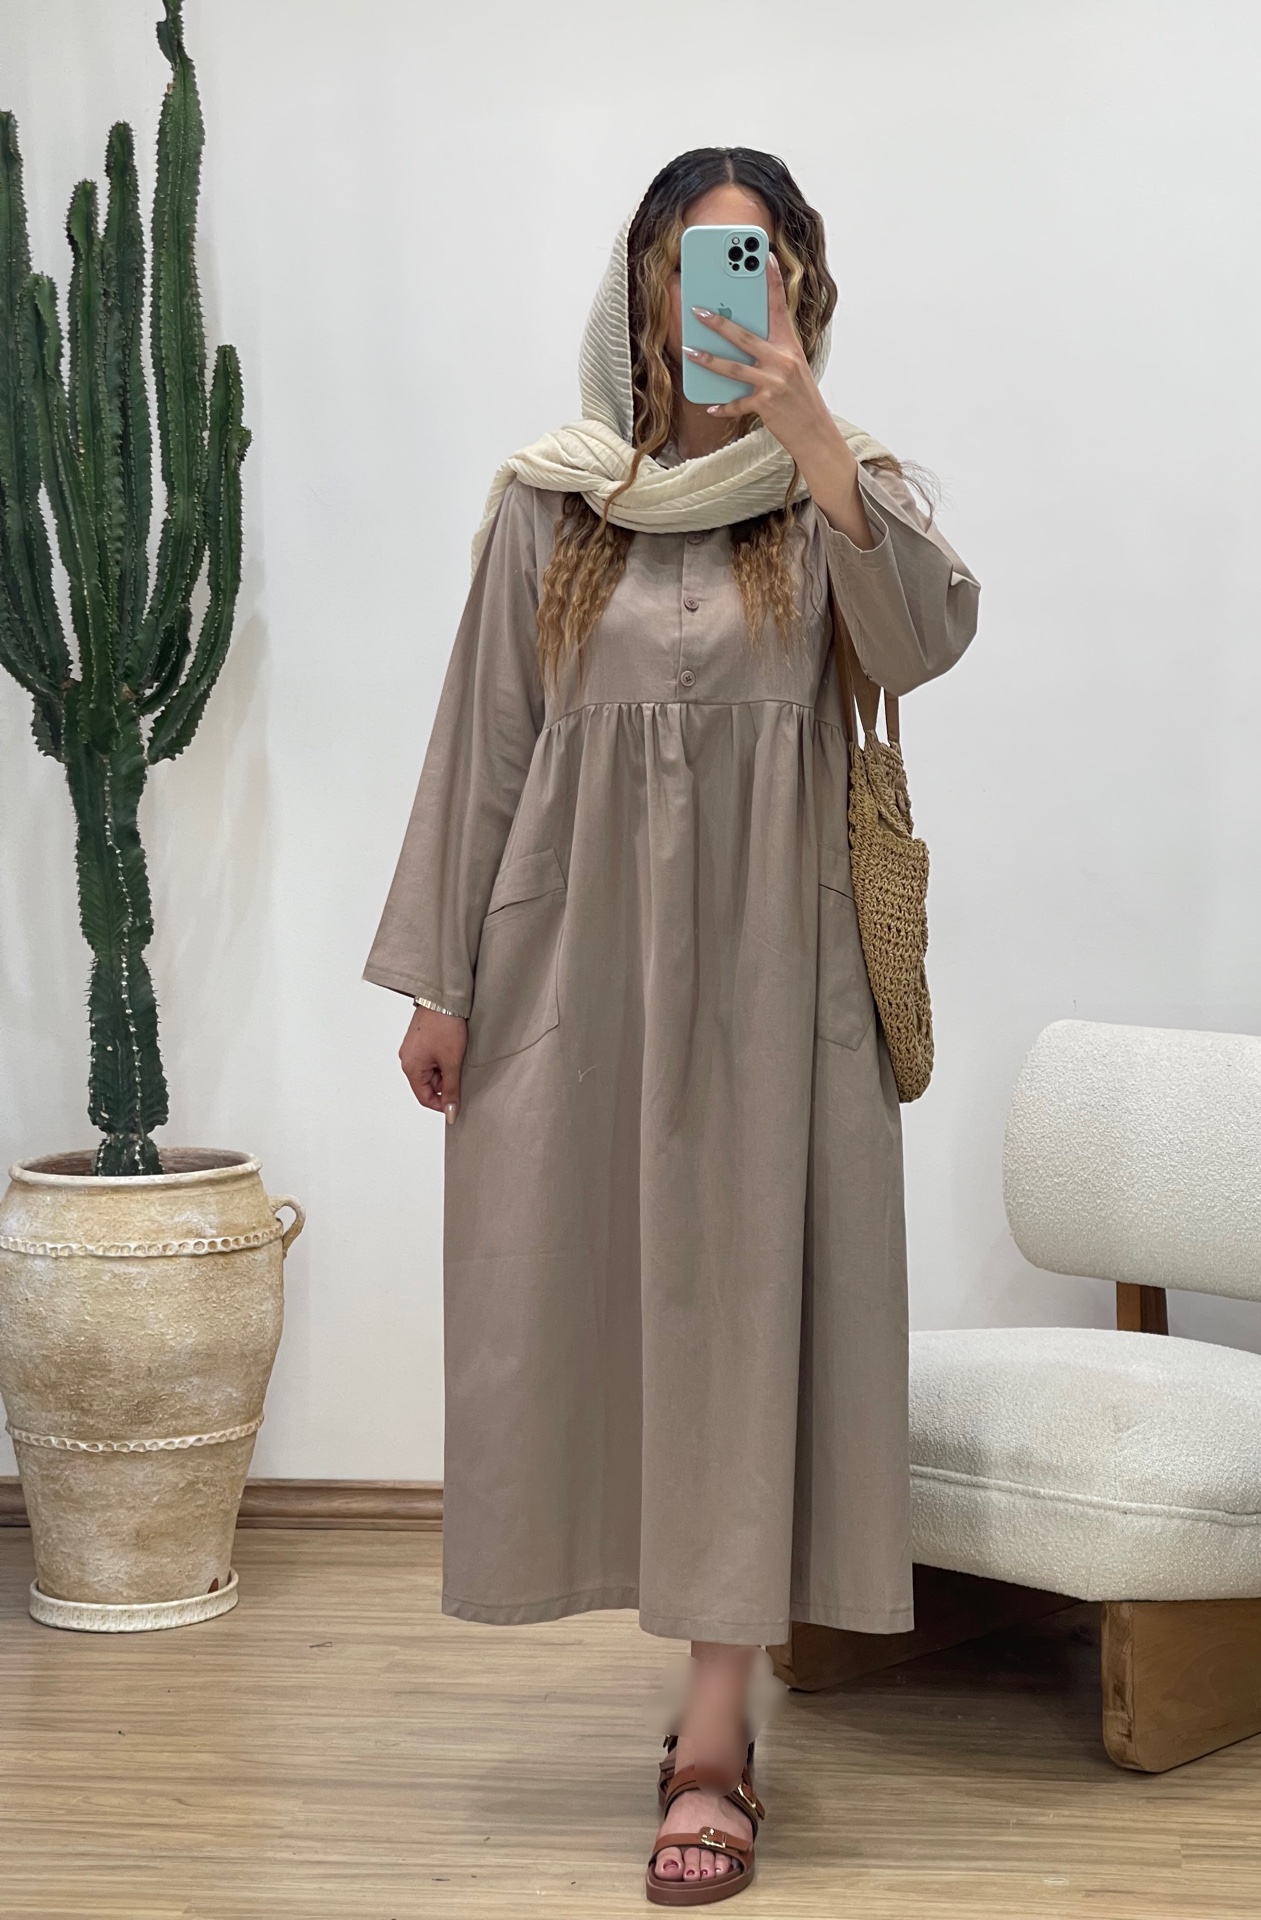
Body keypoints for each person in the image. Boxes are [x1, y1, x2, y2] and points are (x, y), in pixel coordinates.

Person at [364, 146, 979, 1904]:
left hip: (783, 981)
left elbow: (926, 645)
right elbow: (485, 740)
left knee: (750, 1319)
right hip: (581, 973)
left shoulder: (847, 488)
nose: (725, 291)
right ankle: (689, 1680)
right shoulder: (553, 504)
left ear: (799, 284)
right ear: (642, 284)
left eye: (757, 260)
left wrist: (814, 437)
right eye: (698, 261)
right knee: (587, 1304)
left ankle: (714, 1741)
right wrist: (442, 977)